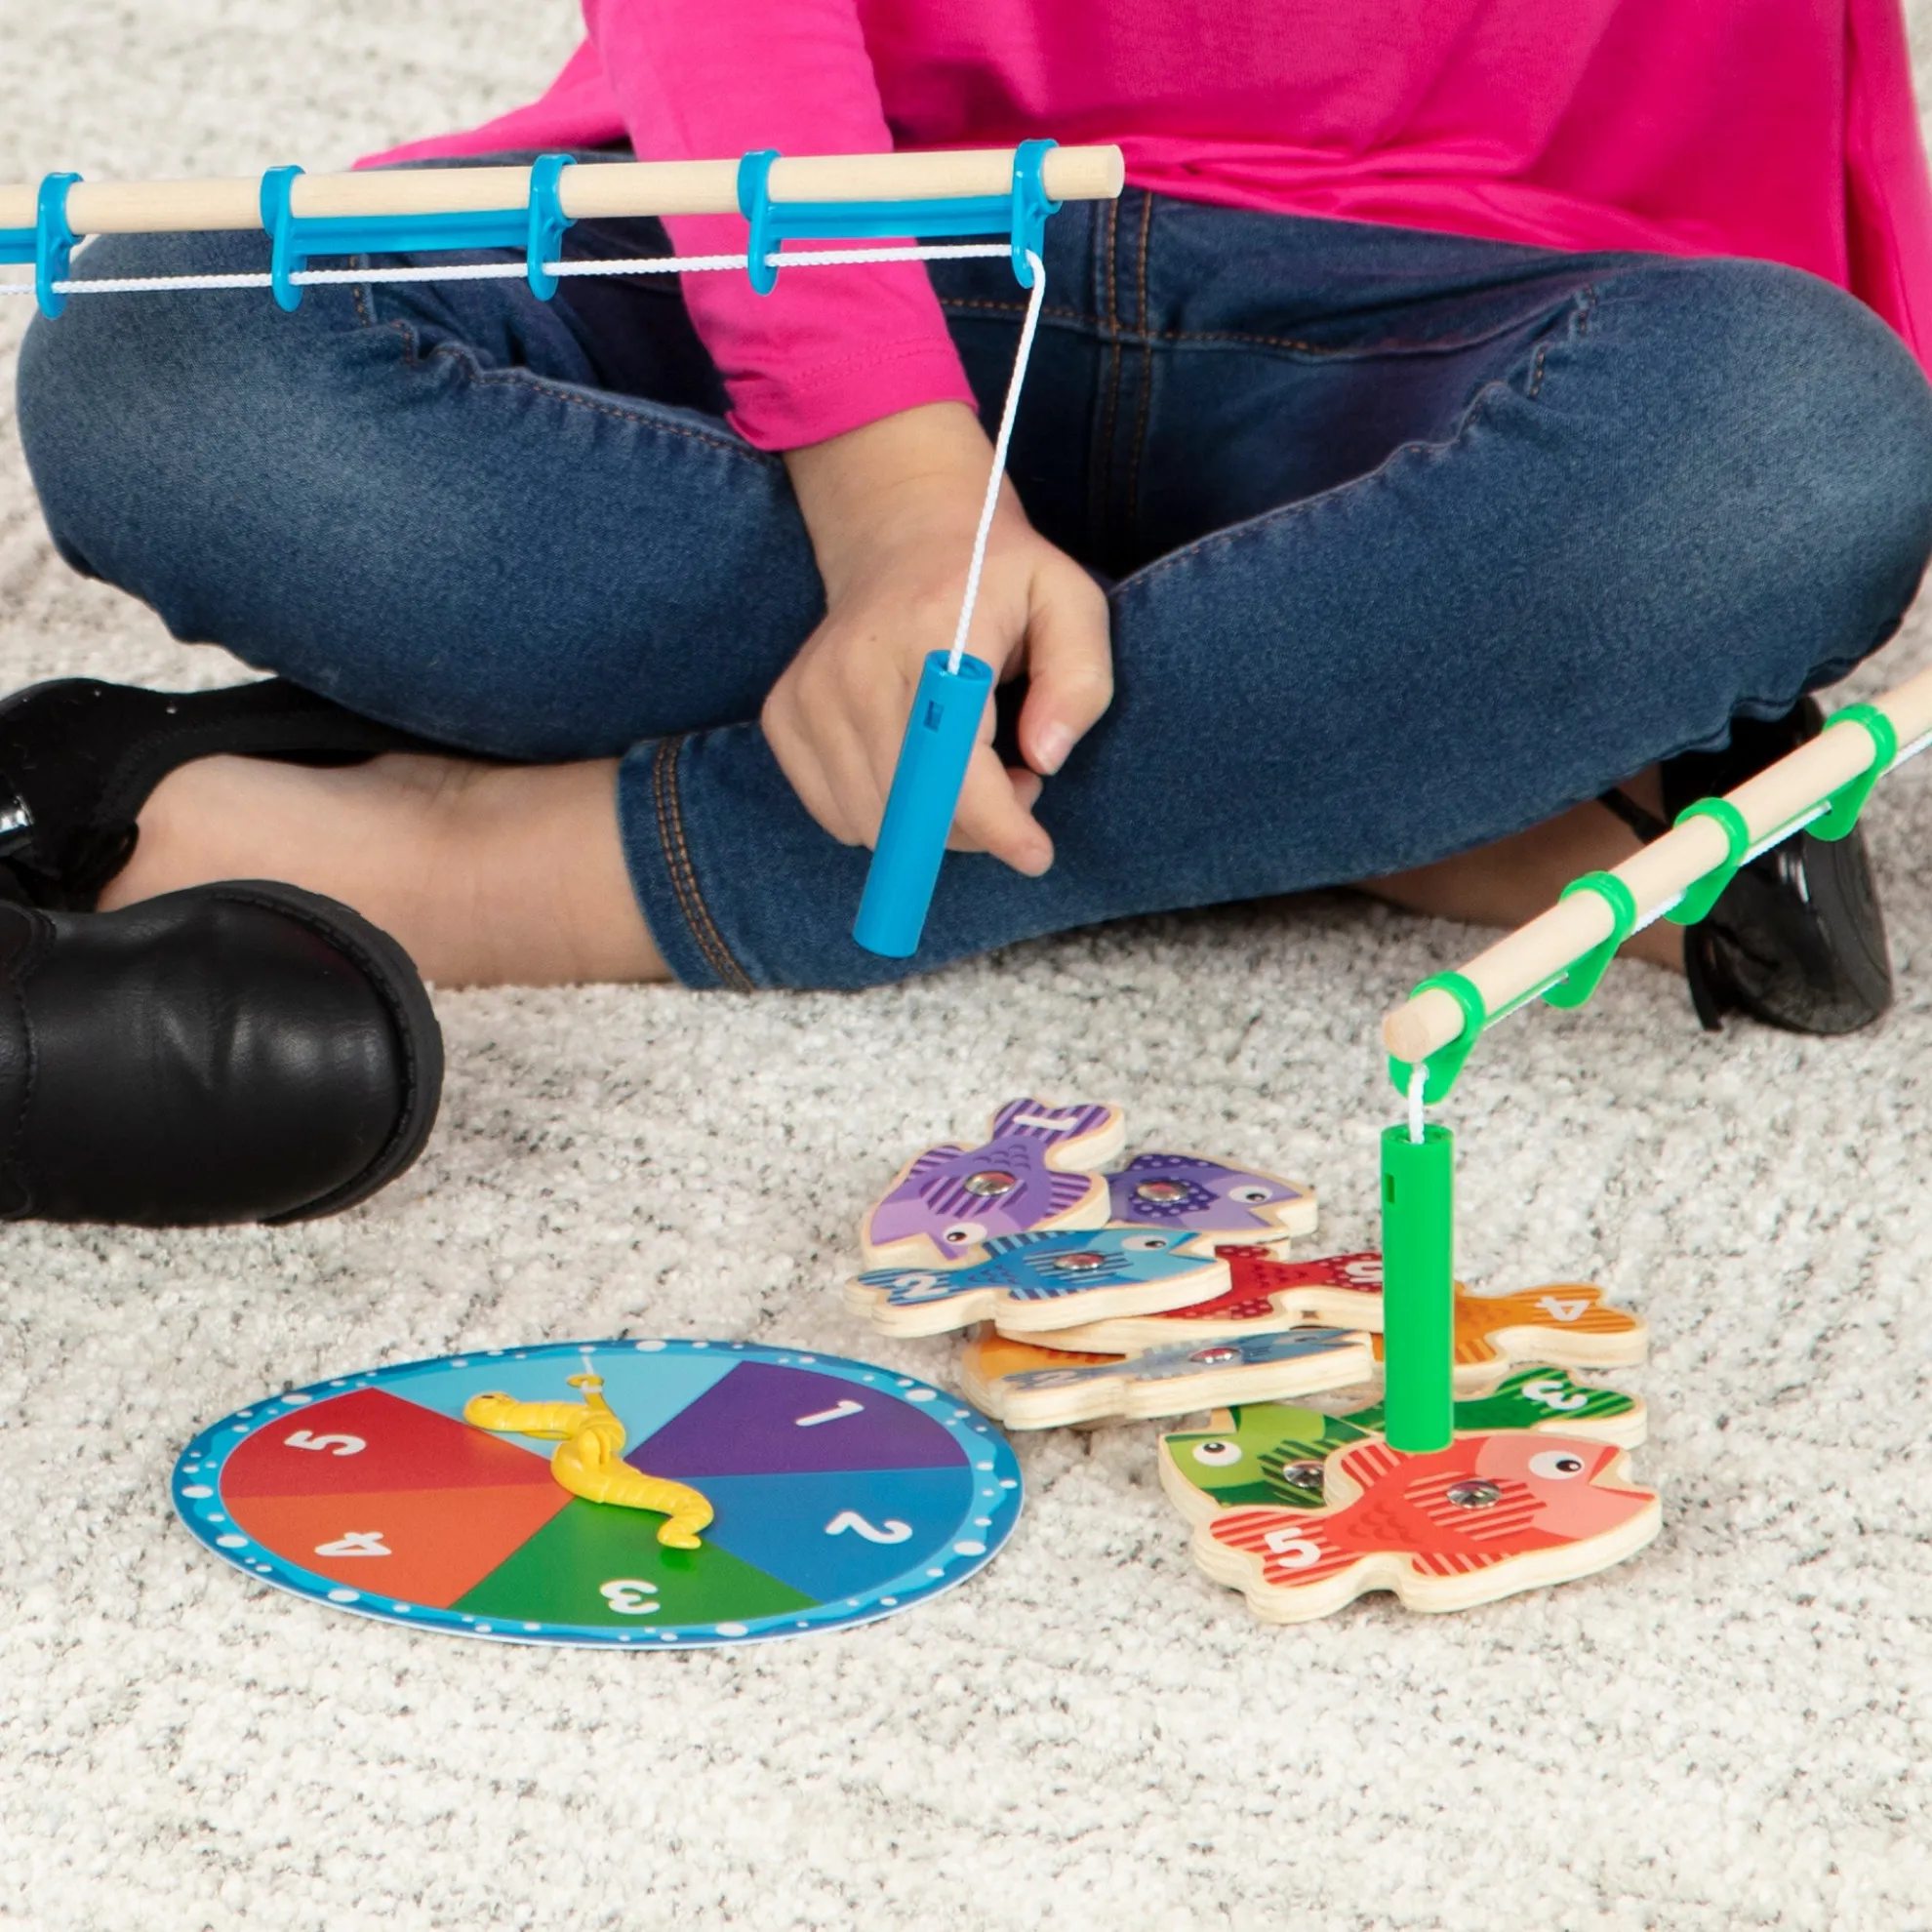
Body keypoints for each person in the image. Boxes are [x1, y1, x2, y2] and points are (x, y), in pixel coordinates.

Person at [13, 0, 1932, 1046]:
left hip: (1497, 296)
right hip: (838, 211)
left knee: (1788, 440)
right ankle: (1388, 768)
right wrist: (894, 484)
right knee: (166, 355)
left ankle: (560, 863)